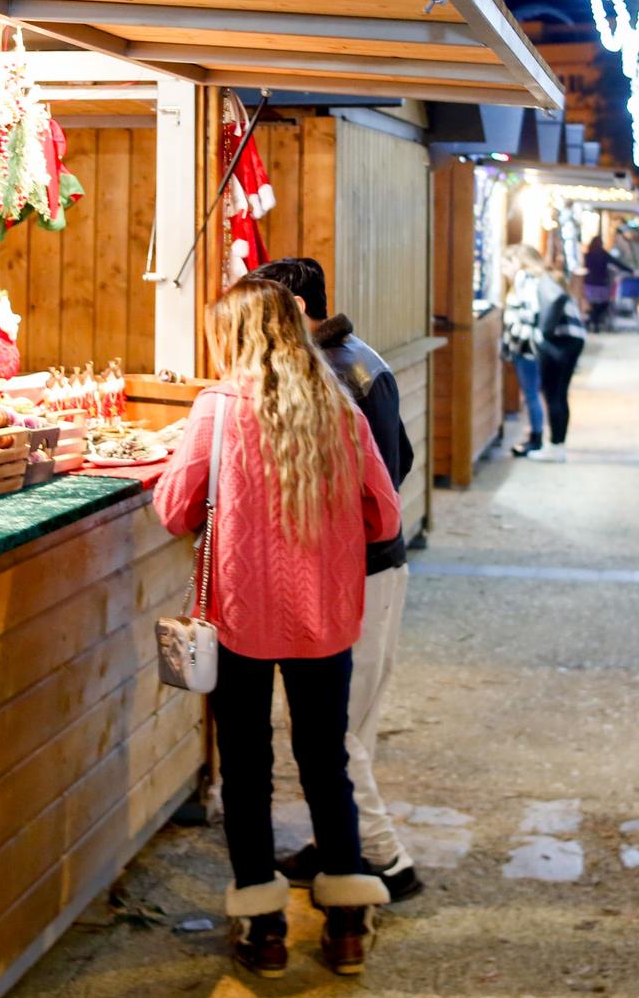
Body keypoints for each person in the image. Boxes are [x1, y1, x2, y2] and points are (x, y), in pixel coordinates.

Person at [154, 278, 402, 978]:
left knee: (248, 769)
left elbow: (174, 509)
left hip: (240, 619)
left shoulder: (218, 410)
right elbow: (384, 515)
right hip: (326, 619)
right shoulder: (339, 407)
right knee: (327, 764)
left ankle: (263, 931)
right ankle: (348, 926)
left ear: (234, 337)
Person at [250, 258, 423, 903]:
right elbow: (399, 461)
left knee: (336, 733)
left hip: (358, 573)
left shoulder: (333, 372)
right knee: (354, 724)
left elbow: (372, 482)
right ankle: (337, 840)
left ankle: (387, 861)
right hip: (375, 567)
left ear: (292, 310)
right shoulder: (356, 356)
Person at [504, 244, 585, 459]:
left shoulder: (525, 277)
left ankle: (556, 448)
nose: (504, 270)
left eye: (506, 264)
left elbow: (531, 313)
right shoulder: (545, 275)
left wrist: (541, 335)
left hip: (558, 341)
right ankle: (557, 446)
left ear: (517, 262)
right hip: (573, 338)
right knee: (559, 394)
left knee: (553, 394)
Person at [582, 235, 618, 332]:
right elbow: (617, 263)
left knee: (592, 305)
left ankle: (592, 321)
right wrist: (631, 271)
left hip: (589, 285)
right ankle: (596, 322)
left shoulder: (587, 255)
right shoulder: (604, 254)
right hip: (601, 285)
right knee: (602, 304)